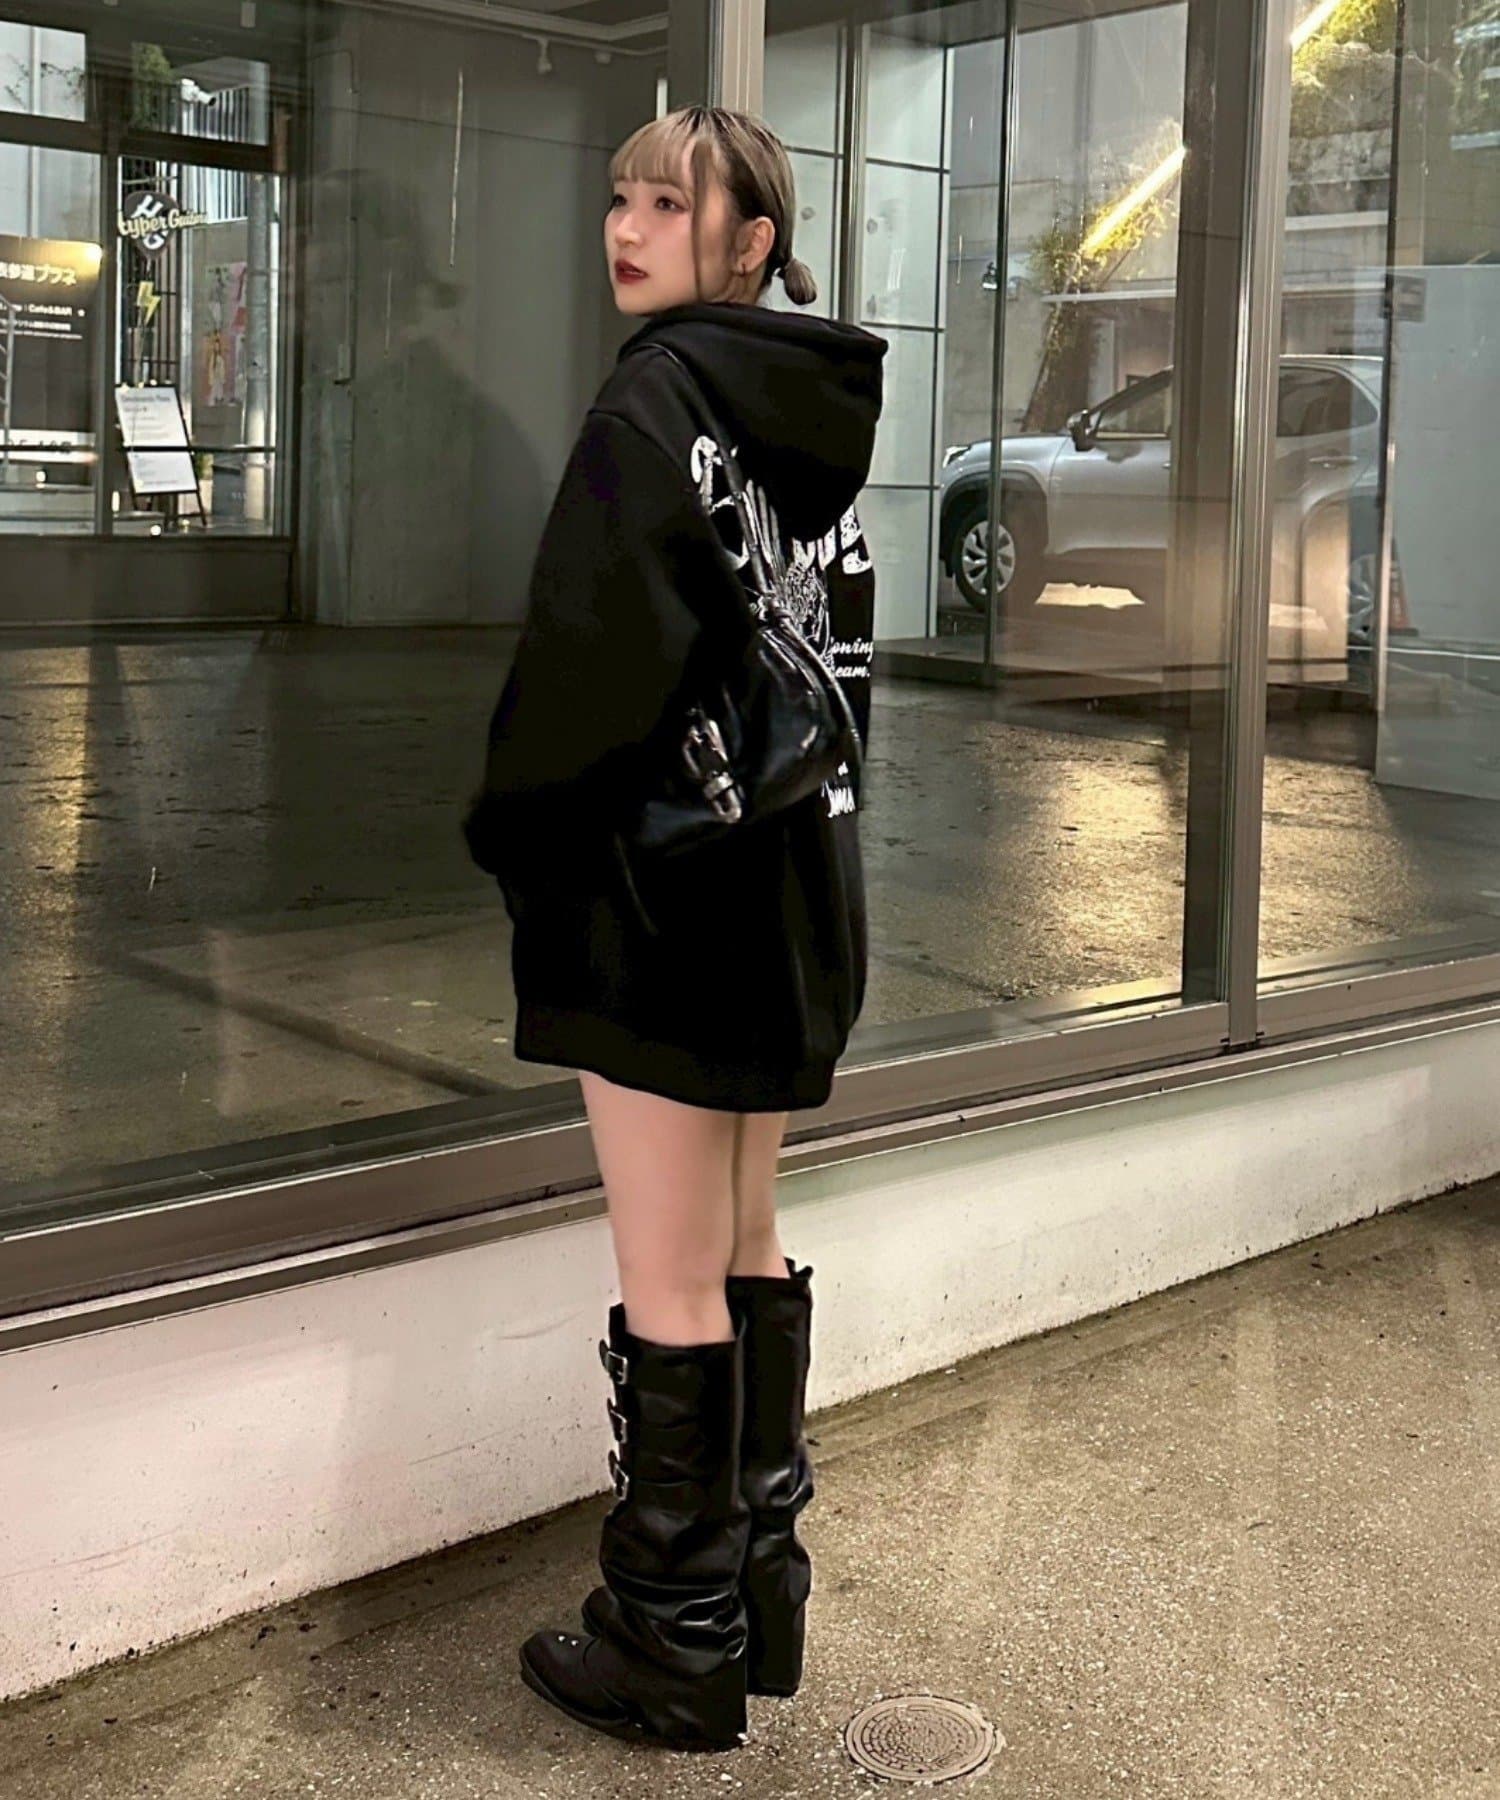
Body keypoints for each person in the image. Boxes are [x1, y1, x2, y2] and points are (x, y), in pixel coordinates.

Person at [463, 105, 886, 1752]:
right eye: (619, 198)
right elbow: (843, 678)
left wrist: (519, 838)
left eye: (666, 202)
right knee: (745, 1240)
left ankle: (672, 1639)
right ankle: (759, 1584)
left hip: (666, 904)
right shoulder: (808, 426)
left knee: (666, 1276)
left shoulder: (653, 407)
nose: (626, 229)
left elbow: (584, 669)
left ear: (750, 239)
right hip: (792, 894)